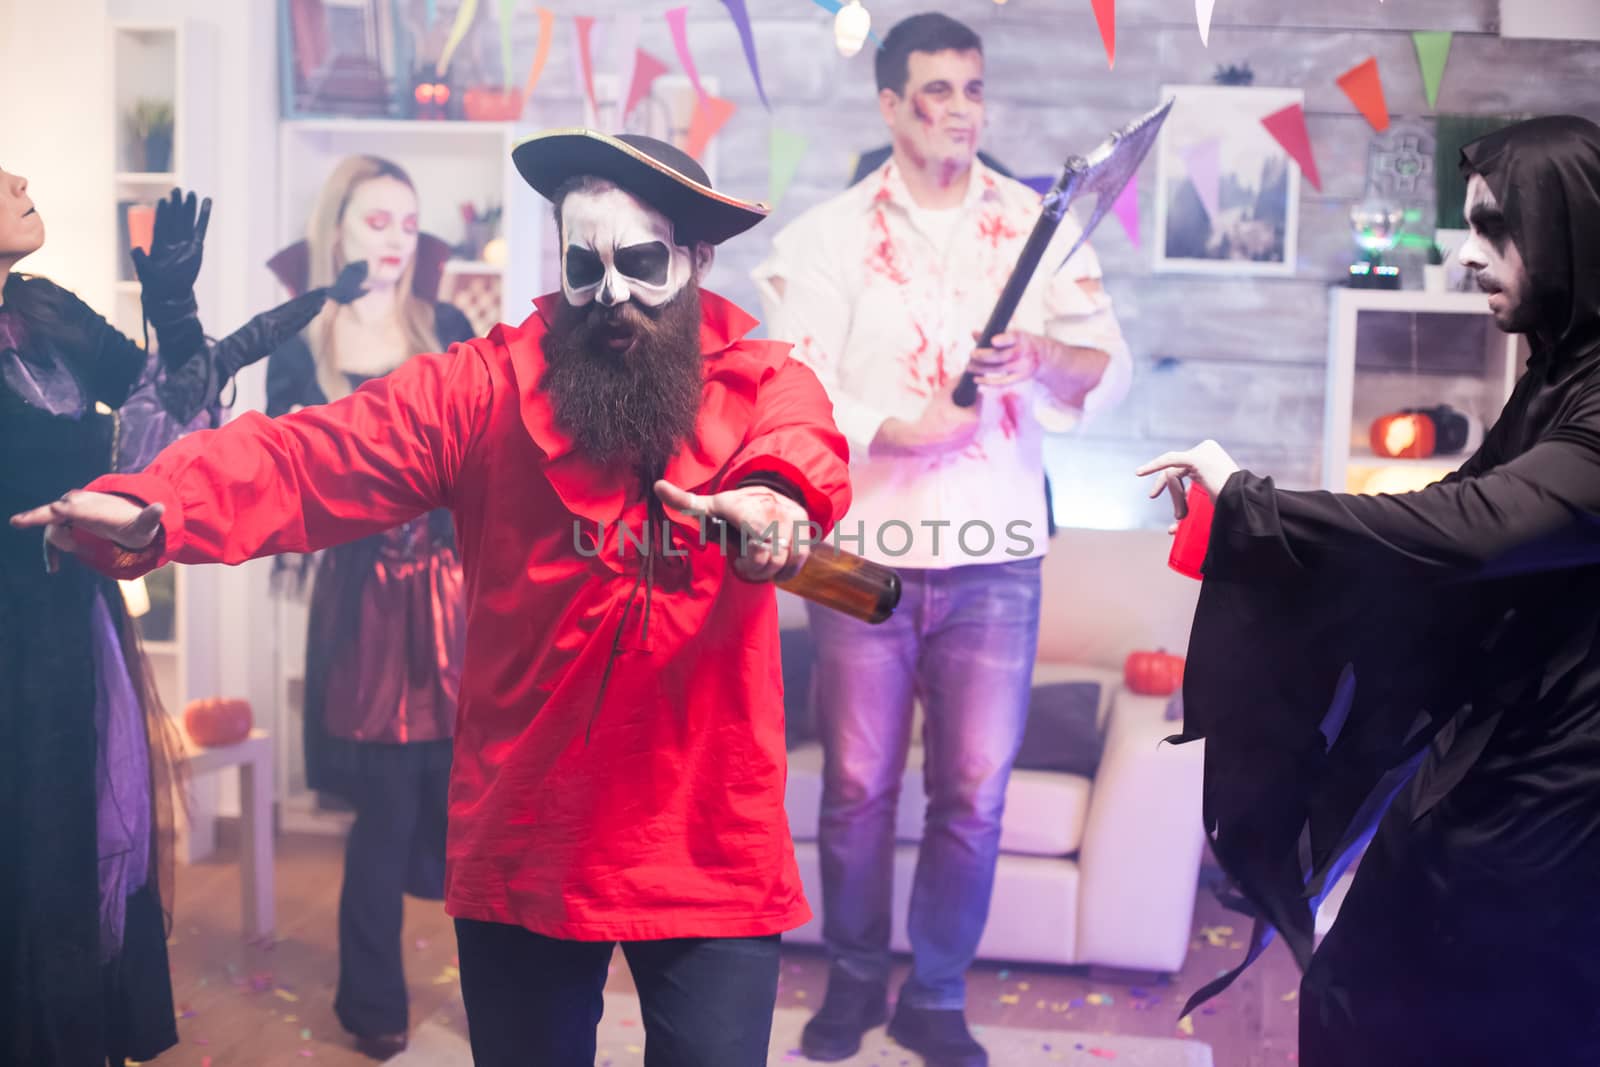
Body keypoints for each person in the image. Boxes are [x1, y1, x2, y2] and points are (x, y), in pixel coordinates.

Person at [13, 130, 851, 1067]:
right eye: (585, 265)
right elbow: (307, 458)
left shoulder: (765, 381)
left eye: (642, 262)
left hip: (705, 834)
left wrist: (777, 496)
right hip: (531, 833)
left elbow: (800, 439)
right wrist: (154, 502)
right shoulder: (485, 385)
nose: (612, 294)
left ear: (695, 260)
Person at [1136, 115, 1600, 1065]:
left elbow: (1480, 534)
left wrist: (1263, 508)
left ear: (1567, 229)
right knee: (1363, 988)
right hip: (1499, 751)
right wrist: (1257, 511)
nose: (1470, 257)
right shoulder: (1558, 370)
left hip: (1564, 785)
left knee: (1478, 1014)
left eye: (1494, 230)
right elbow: (1451, 507)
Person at [751, 13, 1131, 1066]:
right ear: (888, 105)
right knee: (858, 786)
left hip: (997, 557)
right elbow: (796, 376)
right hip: (860, 557)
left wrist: (1044, 355)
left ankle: (938, 995)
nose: (961, 108)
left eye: (972, 88)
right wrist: (892, 423)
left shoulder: (1036, 227)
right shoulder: (825, 238)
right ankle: (856, 980)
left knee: (973, 790)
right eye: (936, 91)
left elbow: (1103, 366)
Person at [0, 169, 349, 1066]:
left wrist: (176, 308)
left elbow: (170, 408)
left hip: (70, 634)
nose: (19, 179)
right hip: (9, 644)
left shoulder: (41, 308)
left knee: (76, 851)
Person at [264, 155, 473, 1061]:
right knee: (383, 813)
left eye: (407, 223)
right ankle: (374, 1005)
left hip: (461, 602)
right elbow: (285, 478)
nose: (394, 239)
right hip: (364, 613)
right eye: (376, 220)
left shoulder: (451, 325)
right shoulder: (300, 341)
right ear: (338, 228)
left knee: (476, 813)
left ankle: (511, 996)